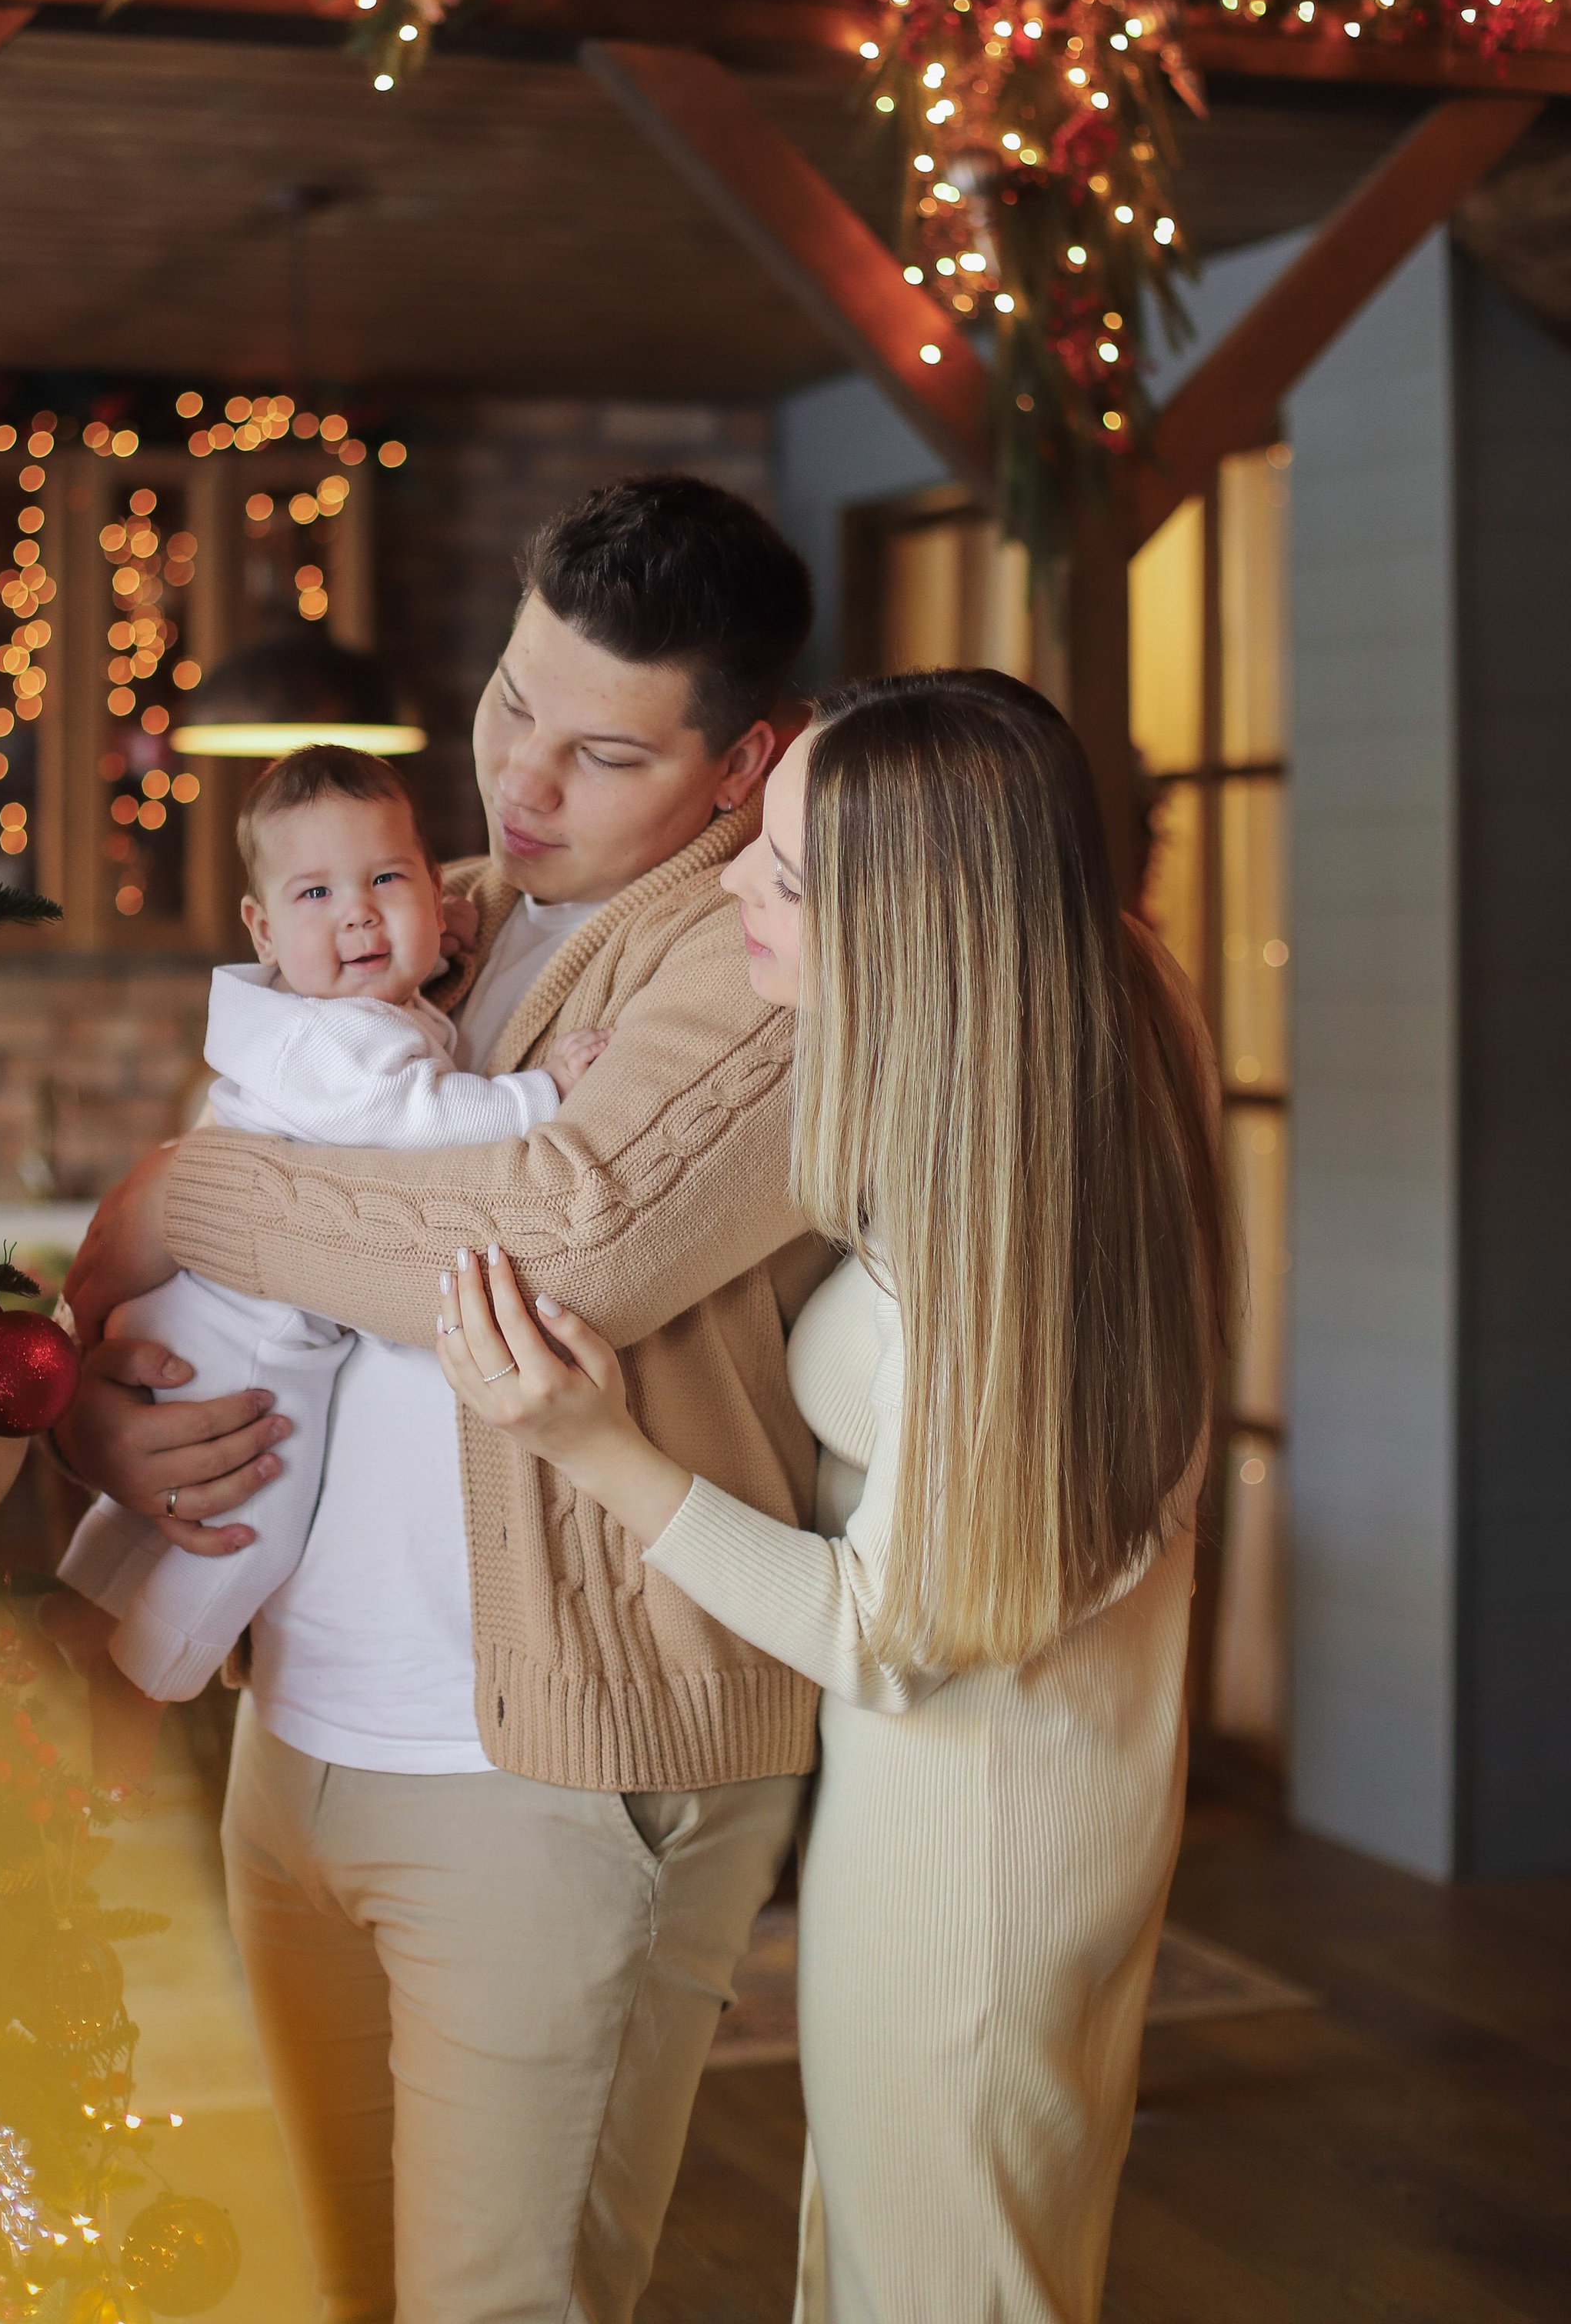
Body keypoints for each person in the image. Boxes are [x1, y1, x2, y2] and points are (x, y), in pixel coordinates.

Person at [55, 475, 831, 2324]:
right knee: (340, 2281)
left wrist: (184, 1191)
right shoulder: (439, 910)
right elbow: (240, 1248)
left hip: (551, 1775)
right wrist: (102, 1408)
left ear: (741, 765)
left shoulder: (766, 963)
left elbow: (557, 1244)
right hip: (299, 1734)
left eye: (602, 753)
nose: (520, 786)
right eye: (507, 702)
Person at [439, 670, 1231, 2324]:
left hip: (969, 1847)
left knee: (935, 2281)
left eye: (786, 875)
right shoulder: (1084, 1059)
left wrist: (594, 1447)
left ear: (910, 936)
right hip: (1043, 1792)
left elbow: (887, 1636)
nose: (733, 875)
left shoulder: (998, 1251)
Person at [55, 742, 607, 1702]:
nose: (356, 911)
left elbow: (406, 1012)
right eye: (315, 893)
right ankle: (139, 1685)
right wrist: (544, 1092)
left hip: (201, 1306)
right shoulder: (338, 1038)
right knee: (248, 1529)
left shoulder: (327, 1010)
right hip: (249, 1326)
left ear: (434, 891)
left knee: (157, 1506)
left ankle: (77, 1611)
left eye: (386, 879)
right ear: (262, 930)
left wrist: (438, 940)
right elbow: (421, 1119)